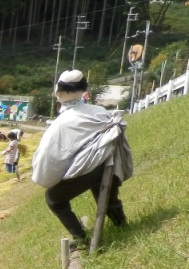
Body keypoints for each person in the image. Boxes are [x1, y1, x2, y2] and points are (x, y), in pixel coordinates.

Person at [32, 70, 132, 248]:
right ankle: (122, 226)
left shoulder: (62, 123)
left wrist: (47, 177)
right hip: (110, 164)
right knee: (108, 196)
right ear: (84, 90)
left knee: (54, 199)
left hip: (92, 171)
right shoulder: (100, 111)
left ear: (58, 93)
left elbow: (49, 160)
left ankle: (81, 239)